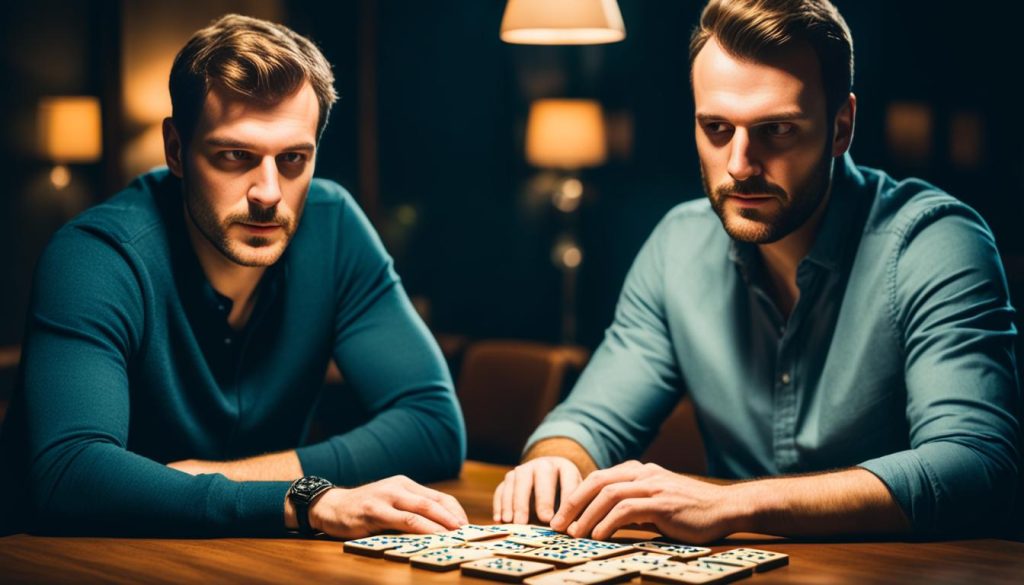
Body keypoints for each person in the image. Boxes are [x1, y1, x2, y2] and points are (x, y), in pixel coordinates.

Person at [494, 0, 1020, 541]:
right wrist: (554, 461)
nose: (740, 165)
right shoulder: (678, 244)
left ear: (842, 127)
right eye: (716, 127)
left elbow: (975, 465)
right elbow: (588, 421)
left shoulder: (934, 243)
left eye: (777, 130)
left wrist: (735, 504)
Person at [0, 14, 468, 537]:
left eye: (293, 158)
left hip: (248, 560)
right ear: (176, 150)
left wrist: (247, 481)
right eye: (234, 156)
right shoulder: (95, 256)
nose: (268, 192)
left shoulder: (334, 226)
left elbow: (434, 426)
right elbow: (70, 471)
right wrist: (306, 501)